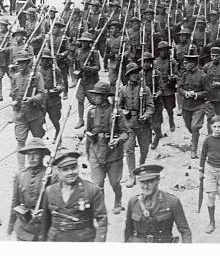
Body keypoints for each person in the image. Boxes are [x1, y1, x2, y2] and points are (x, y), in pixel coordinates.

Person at [41, 151, 107, 242]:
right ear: (59, 171)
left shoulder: (92, 190)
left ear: (78, 167)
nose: (70, 172)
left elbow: (102, 219)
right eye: (65, 169)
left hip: (83, 239)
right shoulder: (50, 191)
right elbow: (45, 222)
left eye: (73, 168)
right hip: (56, 239)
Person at [86, 81, 129, 214]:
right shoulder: (91, 112)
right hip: (96, 151)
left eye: (98, 95)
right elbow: (88, 132)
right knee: (97, 185)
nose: (94, 98)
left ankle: (118, 200)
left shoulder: (117, 112)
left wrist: (117, 140)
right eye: (94, 95)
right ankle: (100, 208)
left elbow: (125, 133)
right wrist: (88, 152)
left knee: (115, 183)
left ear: (105, 97)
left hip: (113, 154)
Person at [124, 164, 192, 243]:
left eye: (150, 182)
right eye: (142, 182)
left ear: (158, 180)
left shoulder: (172, 201)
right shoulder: (133, 202)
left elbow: (185, 232)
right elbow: (128, 233)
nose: (145, 186)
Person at [7, 138, 52, 241]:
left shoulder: (50, 175)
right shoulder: (20, 175)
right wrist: (11, 224)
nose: (31, 158)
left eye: (35, 154)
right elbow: (15, 201)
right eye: (29, 154)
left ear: (42, 155)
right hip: (24, 225)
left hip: (43, 226)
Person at [119, 62, 154, 187]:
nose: (135, 76)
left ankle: (141, 165)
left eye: (136, 73)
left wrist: (147, 114)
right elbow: (119, 107)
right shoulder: (123, 90)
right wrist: (124, 112)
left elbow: (150, 106)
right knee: (129, 150)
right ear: (128, 76)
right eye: (132, 74)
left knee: (144, 148)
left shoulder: (145, 89)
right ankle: (132, 174)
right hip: (128, 124)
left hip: (143, 124)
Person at [10, 51, 46, 170]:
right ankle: (21, 168)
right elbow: (13, 93)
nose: (21, 65)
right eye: (19, 63)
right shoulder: (15, 76)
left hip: (35, 114)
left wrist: (32, 99)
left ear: (29, 63)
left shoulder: (37, 75)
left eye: (23, 62)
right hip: (20, 115)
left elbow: (42, 94)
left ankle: (39, 165)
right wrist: (15, 100)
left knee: (38, 140)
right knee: (20, 141)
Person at [177, 53, 212, 159]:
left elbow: (208, 92)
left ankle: (194, 150)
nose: (184, 65)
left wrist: (197, 94)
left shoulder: (203, 76)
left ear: (193, 64)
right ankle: (195, 136)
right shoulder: (185, 75)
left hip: (199, 105)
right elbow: (179, 88)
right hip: (186, 106)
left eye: (186, 63)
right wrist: (185, 93)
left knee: (195, 126)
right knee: (189, 126)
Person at [73, 31, 101, 129]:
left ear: (90, 42)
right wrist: (77, 75)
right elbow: (75, 65)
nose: (84, 43)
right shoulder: (77, 51)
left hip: (91, 80)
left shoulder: (94, 53)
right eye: (83, 41)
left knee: (94, 101)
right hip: (81, 80)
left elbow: (98, 67)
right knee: (80, 100)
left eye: (86, 42)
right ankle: (81, 120)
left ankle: (97, 120)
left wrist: (89, 68)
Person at [202, 46, 220, 125]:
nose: (214, 58)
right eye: (212, 56)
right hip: (209, 98)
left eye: (216, 56)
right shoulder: (206, 66)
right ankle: (210, 136)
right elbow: (202, 80)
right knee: (210, 119)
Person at [38, 49, 64, 141]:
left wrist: (58, 88)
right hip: (42, 100)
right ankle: (40, 139)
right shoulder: (38, 70)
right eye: (43, 59)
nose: (45, 61)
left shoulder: (55, 70)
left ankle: (58, 135)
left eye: (47, 59)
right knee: (39, 120)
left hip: (53, 99)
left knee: (55, 119)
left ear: (50, 60)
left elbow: (61, 84)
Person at [153, 40, 178, 132]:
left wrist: (173, 77)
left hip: (168, 88)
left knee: (169, 108)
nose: (163, 52)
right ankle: (159, 126)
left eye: (165, 50)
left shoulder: (172, 62)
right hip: (159, 88)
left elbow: (176, 74)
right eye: (161, 50)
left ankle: (171, 121)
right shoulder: (155, 62)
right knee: (158, 109)